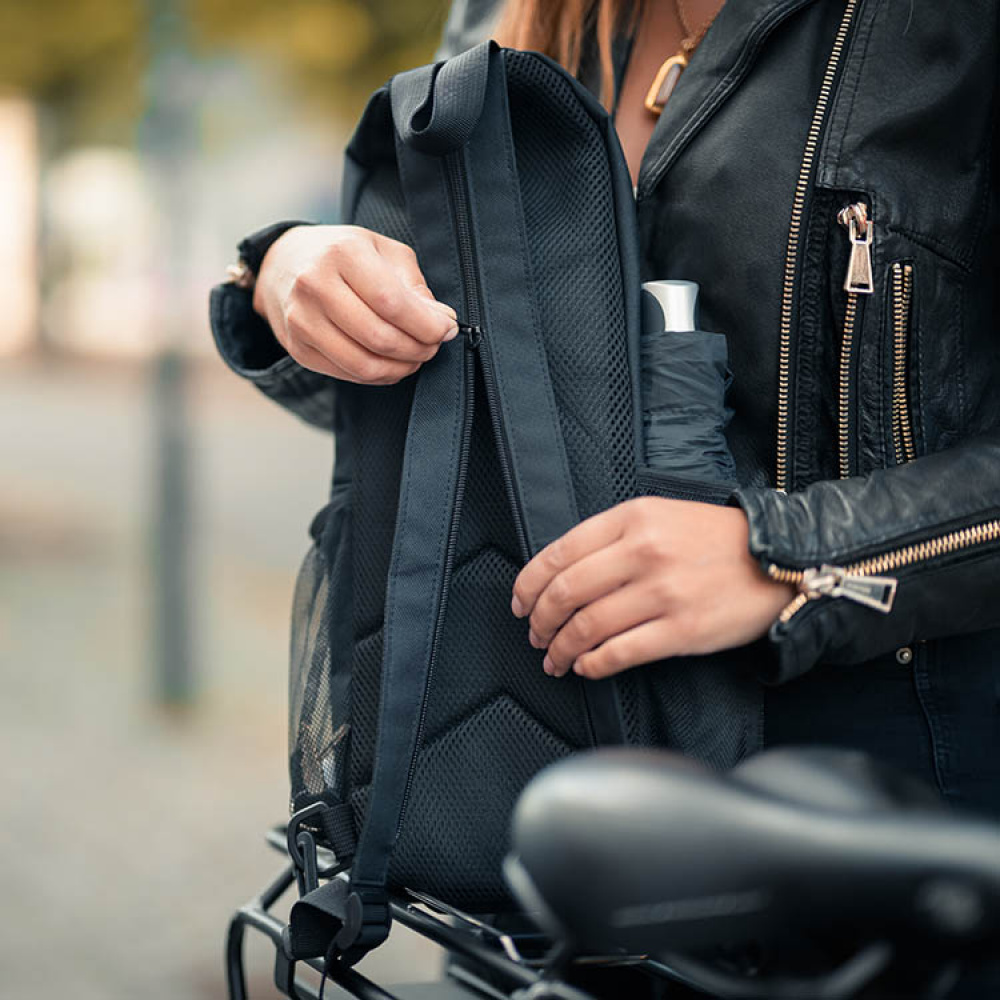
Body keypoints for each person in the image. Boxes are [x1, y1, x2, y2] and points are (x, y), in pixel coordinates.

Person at [210, 1, 1000, 994]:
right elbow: (449, 401)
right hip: (535, 814)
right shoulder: (505, 14)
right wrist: (285, 275)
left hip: (880, 834)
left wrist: (792, 560)